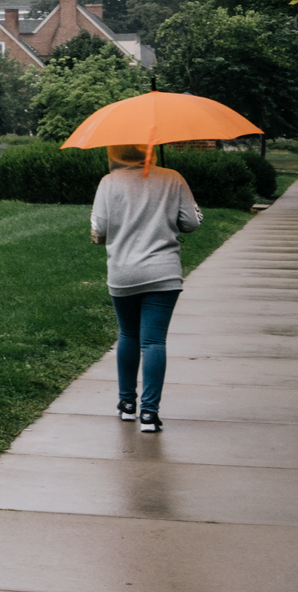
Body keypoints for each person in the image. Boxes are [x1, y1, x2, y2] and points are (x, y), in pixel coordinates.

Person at [90, 142, 201, 433]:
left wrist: (100, 235)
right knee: (153, 342)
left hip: (123, 272)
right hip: (163, 272)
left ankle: (127, 405)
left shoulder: (108, 183)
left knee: (128, 333)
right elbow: (191, 223)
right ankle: (149, 414)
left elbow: (99, 231)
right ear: (148, 149)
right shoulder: (173, 178)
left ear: (115, 152)